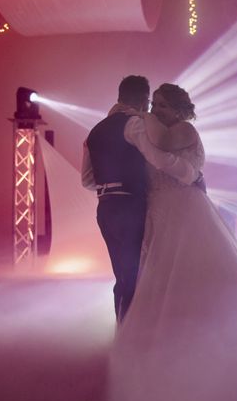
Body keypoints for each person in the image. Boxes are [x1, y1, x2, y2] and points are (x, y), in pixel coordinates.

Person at [109, 83, 237, 401]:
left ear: (181, 108)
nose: (160, 109)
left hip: (182, 208)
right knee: (161, 271)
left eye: (167, 105)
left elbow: (167, 160)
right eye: (157, 103)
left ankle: (213, 337)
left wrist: (142, 127)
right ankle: (171, 337)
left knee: (192, 267)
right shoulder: (154, 126)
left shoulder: (182, 130)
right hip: (160, 209)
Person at [81, 75, 202, 323]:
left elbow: (87, 181)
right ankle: (132, 338)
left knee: (123, 277)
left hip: (105, 209)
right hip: (130, 207)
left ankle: (123, 331)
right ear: (144, 100)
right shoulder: (134, 124)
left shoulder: (95, 132)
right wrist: (192, 174)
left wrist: (110, 180)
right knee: (136, 275)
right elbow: (159, 159)